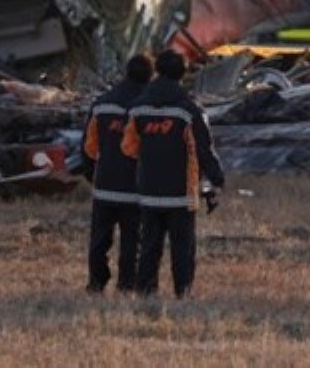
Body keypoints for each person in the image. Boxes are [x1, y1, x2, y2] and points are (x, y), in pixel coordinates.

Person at [121, 50, 225, 298]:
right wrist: (217, 179)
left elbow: (128, 148)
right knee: (183, 249)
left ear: (157, 71)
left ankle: (145, 293)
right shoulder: (189, 110)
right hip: (181, 195)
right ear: (183, 74)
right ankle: (182, 293)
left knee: (148, 247)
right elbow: (203, 148)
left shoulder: (137, 110)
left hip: (149, 192)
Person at [82, 52, 152, 294]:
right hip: (136, 188)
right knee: (132, 240)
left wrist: (91, 174)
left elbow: (89, 147)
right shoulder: (149, 109)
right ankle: (126, 284)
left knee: (100, 240)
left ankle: (96, 283)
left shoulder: (102, 104)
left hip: (105, 185)